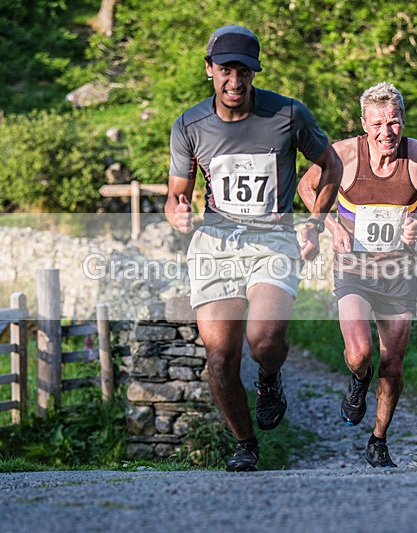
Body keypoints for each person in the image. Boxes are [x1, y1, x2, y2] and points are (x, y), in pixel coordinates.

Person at [165, 25, 342, 472]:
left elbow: (331, 166)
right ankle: (245, 443)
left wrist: (315, 224)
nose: (235, 81)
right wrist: (178, 212)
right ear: (209, 70)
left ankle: (269, 378)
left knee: (264, 340)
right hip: (216, 244)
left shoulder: (287, 114)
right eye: (226, 70)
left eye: (244, 72)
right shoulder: (189, 125)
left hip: (273, 239)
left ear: (254, 74)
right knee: (221, 357)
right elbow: (176, 195)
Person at [298, 82, 417, 468]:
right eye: (377, 124)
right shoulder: (344, 154)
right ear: (364, 124)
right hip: (353, 269)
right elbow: (305, 185)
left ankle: (378, 439)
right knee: (360, 352)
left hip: (398, 272)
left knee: (393, 363)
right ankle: (358, 378)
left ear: (402, 121)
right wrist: (331, 227)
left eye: (394, 122)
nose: (386, 133)